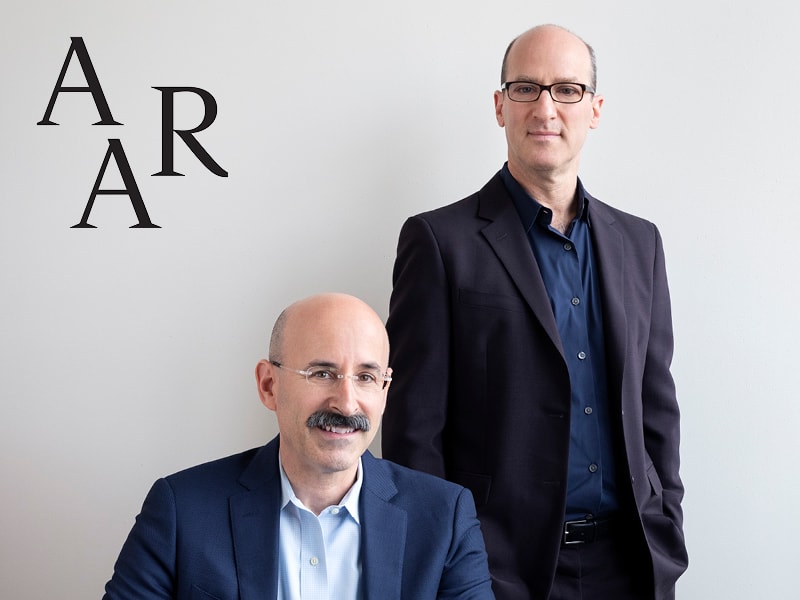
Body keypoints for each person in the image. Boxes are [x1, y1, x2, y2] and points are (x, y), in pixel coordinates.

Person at [381, 24, 688, 600]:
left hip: (633, 563)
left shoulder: (639, 244)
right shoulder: (439, 242)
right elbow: (413, 430)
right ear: (500, 106)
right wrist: (448, 566)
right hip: (498, 572)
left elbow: (657, 406)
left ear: (594, 109)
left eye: (567, 90)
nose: (545, 107)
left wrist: (666, 520)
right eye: (526, 88)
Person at [103, 293, 495, 600]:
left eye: (366, 377)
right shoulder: (181, 510)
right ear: (269, 386)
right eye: (322, 373)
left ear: (385, 390)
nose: (346, 403)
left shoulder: (446, 517)